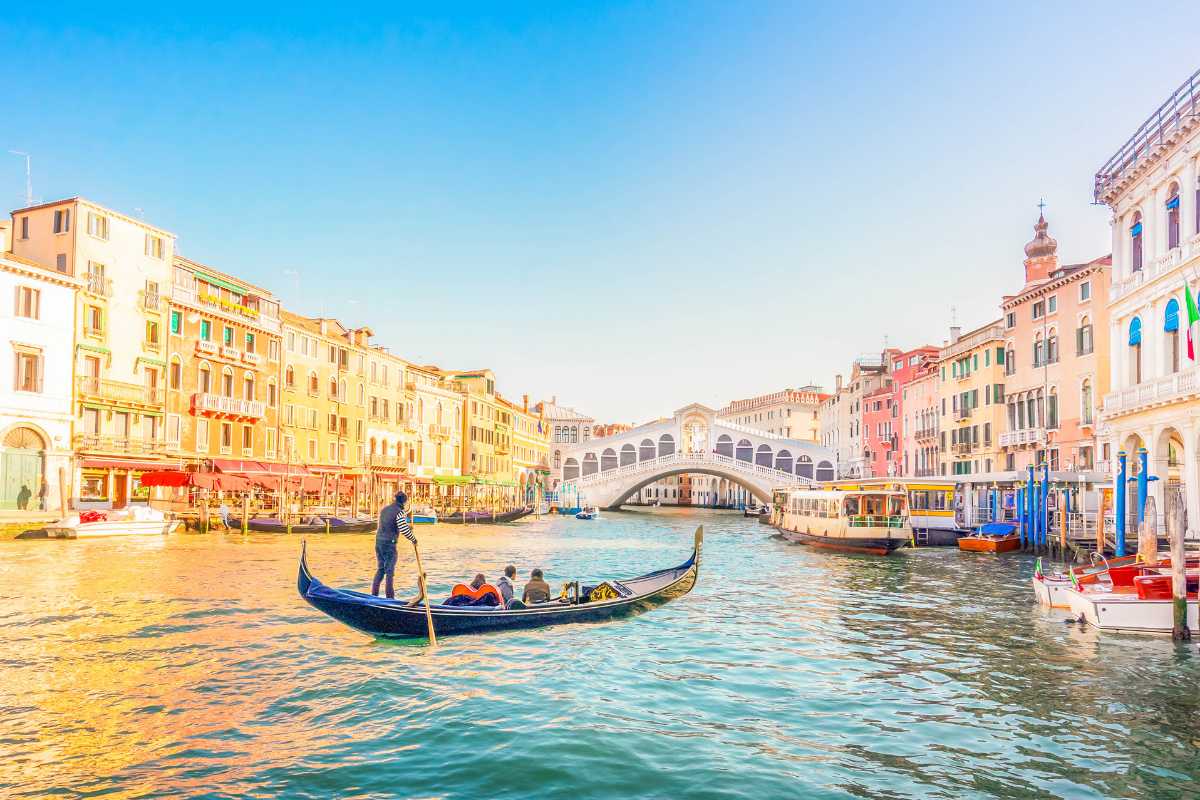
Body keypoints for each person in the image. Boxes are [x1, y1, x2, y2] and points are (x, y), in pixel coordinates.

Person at [372, 491, 410, 599]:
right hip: (389, 544)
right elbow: (403, 528)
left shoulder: (384, 509)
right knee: (389, 572)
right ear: (404, 501)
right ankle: (390, 598)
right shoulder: (399, 512)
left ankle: (374, 595)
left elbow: (391, 524)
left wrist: (407, 528)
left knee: (380, 569)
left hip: (378, 542)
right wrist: (413, 539)